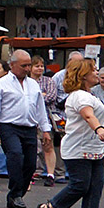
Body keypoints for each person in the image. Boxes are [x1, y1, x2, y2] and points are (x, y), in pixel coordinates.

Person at [37, 58, 104, 208]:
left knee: (96, 185)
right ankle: (48, 207)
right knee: (80, 185)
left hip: (94, 147)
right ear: (83, 75)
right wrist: (99, 128)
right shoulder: (79, 96)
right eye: (93, 70)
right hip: (78, 148)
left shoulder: (91, 94)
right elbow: (88, 115)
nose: (97, 72)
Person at [0, 50, 53, 208]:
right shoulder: (0, 84)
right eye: (24, 65)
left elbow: (40, 109)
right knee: (15, 154)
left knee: (30, 163)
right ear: (12, 65)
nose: (27, 69)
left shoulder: (33, 85)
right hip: (8, 126)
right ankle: (15, 193)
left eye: (29, 65)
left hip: (29, 127)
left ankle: (18, 193)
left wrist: (45, 130)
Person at [32, 55, 65, 186]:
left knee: (48, 145)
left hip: (46, 117)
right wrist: (41, 95)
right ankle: (34, 171)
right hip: (30, 118)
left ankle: (51, 174)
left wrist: (37, 96)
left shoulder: (49, 81)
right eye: (37, 66)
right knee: (33, 147)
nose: (39, 68)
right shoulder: (27, 81)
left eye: (41, 66)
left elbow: (51, 97)